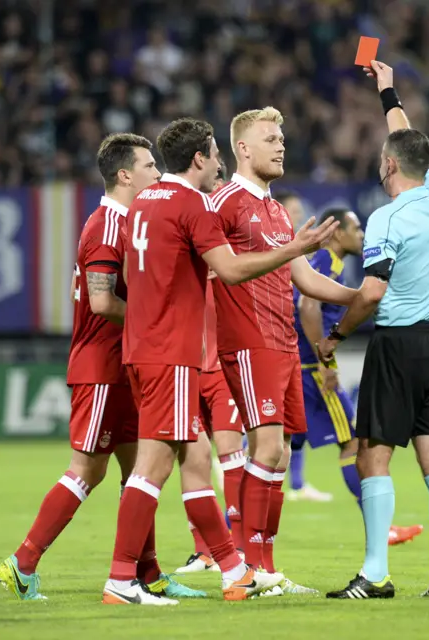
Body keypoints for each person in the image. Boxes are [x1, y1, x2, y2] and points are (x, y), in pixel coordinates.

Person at [103, 117, 338, 605]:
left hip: (146, 346)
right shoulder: (194, 204)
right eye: (216, 157)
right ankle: (122, 579)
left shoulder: (142, 204)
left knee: (191, 460)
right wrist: (295, 248)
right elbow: (229, 270)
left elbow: (127, 273)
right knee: (152, 466)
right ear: (200, 159)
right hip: (173, 349)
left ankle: (234, 569)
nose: (220, 167)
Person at [0, 133, 202, 601]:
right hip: (102, 364)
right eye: (149, 167)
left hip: (127, 361)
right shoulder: (107, 225)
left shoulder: (129, 221)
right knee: (87, 470)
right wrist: (156, 321)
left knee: (141, 472)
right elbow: (101, 299)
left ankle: (146, 574)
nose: (156, 174)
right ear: (125, 175)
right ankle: (23, 561)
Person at [318, 61, 429, 599]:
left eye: (384, 156)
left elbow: (372, 294)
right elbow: (404, 133)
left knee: (371, 456)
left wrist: (338, 336)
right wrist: (387, 90)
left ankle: (376, 573)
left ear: (390, 165)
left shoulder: (385, 219)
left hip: (396, 344)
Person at [211, 107, 359, 596]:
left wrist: (359, 297)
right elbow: (224, 269)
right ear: (243, 149)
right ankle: (243, 570)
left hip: (285, 345)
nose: (279, 145)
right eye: (269, 138)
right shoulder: (225, 202)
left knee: (280, 456)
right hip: (248, 341)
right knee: (267, 448)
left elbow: (304, 278)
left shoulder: (275, 209)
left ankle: (265, 568)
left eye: (282, 137)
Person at [294, 207, 424, 546]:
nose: (363, 235)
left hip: (299, 364)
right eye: (357, 228)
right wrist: (323, 359)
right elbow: (308, 307)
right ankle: (382, 529)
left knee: (274, 451)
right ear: (338, 234)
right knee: (351, 440)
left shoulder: (331, 265)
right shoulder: (323, 261)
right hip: (311, 367)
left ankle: (222, 541)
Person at [175, 162, 249, 575]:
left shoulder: (228, 243)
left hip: (221, 366)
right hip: (186, 365)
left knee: (229, 453)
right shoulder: (189, 230)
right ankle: (204, 550)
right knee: (193, 459)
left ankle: (236, 547)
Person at [275, 190, 333, 503]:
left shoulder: (300, 255)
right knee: (278, 424)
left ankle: (296, 485)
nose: (297, 215)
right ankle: (238, 461)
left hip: (298, 351)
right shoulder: (275, 251)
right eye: (292, 209)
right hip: (284, 350)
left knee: (295, 424)